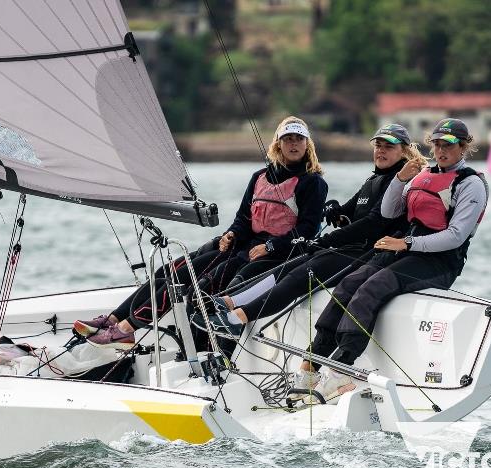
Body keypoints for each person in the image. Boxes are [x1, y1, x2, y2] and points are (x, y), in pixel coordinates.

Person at [193, 124, 426, 392]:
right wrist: (336, 210)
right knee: (291, 266)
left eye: (389, 147)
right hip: (347, 248)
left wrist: (327, 239)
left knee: (304, 273)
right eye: (378, 145)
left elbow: (373, 223)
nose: (381, 151)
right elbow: (352, 211)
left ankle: (237, 319)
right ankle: (231, 302)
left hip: (366, 252)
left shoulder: (402, 182)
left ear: (404, 151)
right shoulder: (374, 179)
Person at [73, 116, 328, 350]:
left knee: (198, 286)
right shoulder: (259, 176)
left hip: (273, 253)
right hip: (243, 245)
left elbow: (307, 231)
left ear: (307, 145)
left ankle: (126, 330)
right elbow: (243, 219)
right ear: (278, 144)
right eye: (288, 139)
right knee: (170, 274)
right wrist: (230, 234)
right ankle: (112, 320)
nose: (293, 144)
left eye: (299, 139)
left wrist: (271, 247)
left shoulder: (313, 183)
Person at [306, 118, 488, 403]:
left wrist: (407, 242)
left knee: (371, 288)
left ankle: (342, 367)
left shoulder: (471, 184)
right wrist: (401, 180)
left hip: (440, 262)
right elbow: (390, 212)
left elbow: (455, 236)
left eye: (448, 146)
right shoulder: (422, 174)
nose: (441, 151)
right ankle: (312, 363)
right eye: (437, 144)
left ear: (463, 148)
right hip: (407, 250)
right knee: (348, 284)